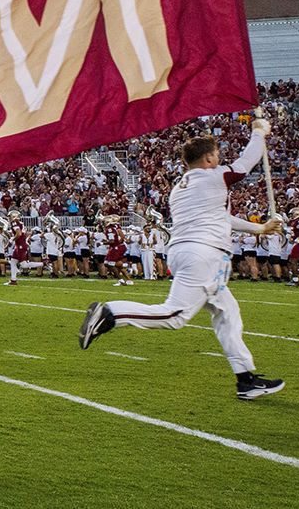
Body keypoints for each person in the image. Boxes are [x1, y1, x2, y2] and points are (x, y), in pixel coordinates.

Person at [79, 118, 285, 400]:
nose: (219, 158)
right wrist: (259, 132)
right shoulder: (213, 176)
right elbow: (245, 163)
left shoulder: (181, 187)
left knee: (228, 313)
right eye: (216, 154)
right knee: (175, 315)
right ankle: (112, 313)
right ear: (209, 157)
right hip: (205, 253)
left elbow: (220, 217)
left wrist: (259, 228)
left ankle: (246, 378)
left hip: (191, 250)